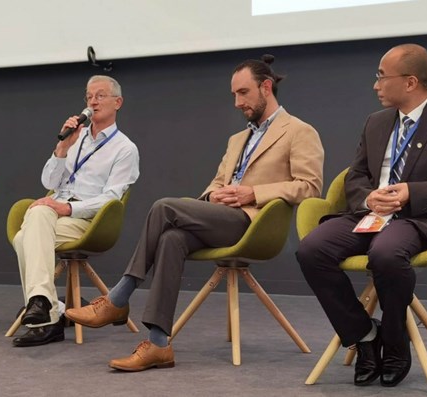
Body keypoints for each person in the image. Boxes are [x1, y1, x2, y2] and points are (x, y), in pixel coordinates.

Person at [65, 56, 324, 370]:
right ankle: (159, 345)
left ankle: (119, 298)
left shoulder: (298, 131)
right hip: (222, 216)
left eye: (243, 93)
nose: (237, 102)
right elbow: (215, 183)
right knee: (172, 239)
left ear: (266, 87)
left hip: (255, 224)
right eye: (234, 95)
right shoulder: (238, 139)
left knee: (164, 207)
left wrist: (252, 193)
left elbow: (310, 187)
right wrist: (214, 194)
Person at [296, 44, 427, 388]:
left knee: (385, 254)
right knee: (312, 250)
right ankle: (365, 336)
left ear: (411, 82)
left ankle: (397, 342)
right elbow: (355, 175)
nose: (376, 85)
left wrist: (412, 191)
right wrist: (369, 196)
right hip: (369, 214)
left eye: (382, 76)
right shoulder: (376, 122)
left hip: (414, 218)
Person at [11, 75, 140, 347]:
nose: (93, 101)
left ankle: (46, 312)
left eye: (100, 95)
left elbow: (111, 200)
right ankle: (47, 307)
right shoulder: (76, 139)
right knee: (32, 226)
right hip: (57, 212)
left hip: (89, 220)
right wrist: (61, 148)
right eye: (89, 96)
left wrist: (66, 207)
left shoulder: (125, 149)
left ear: (118, 102)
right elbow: (49, 183)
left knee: (32, 227)